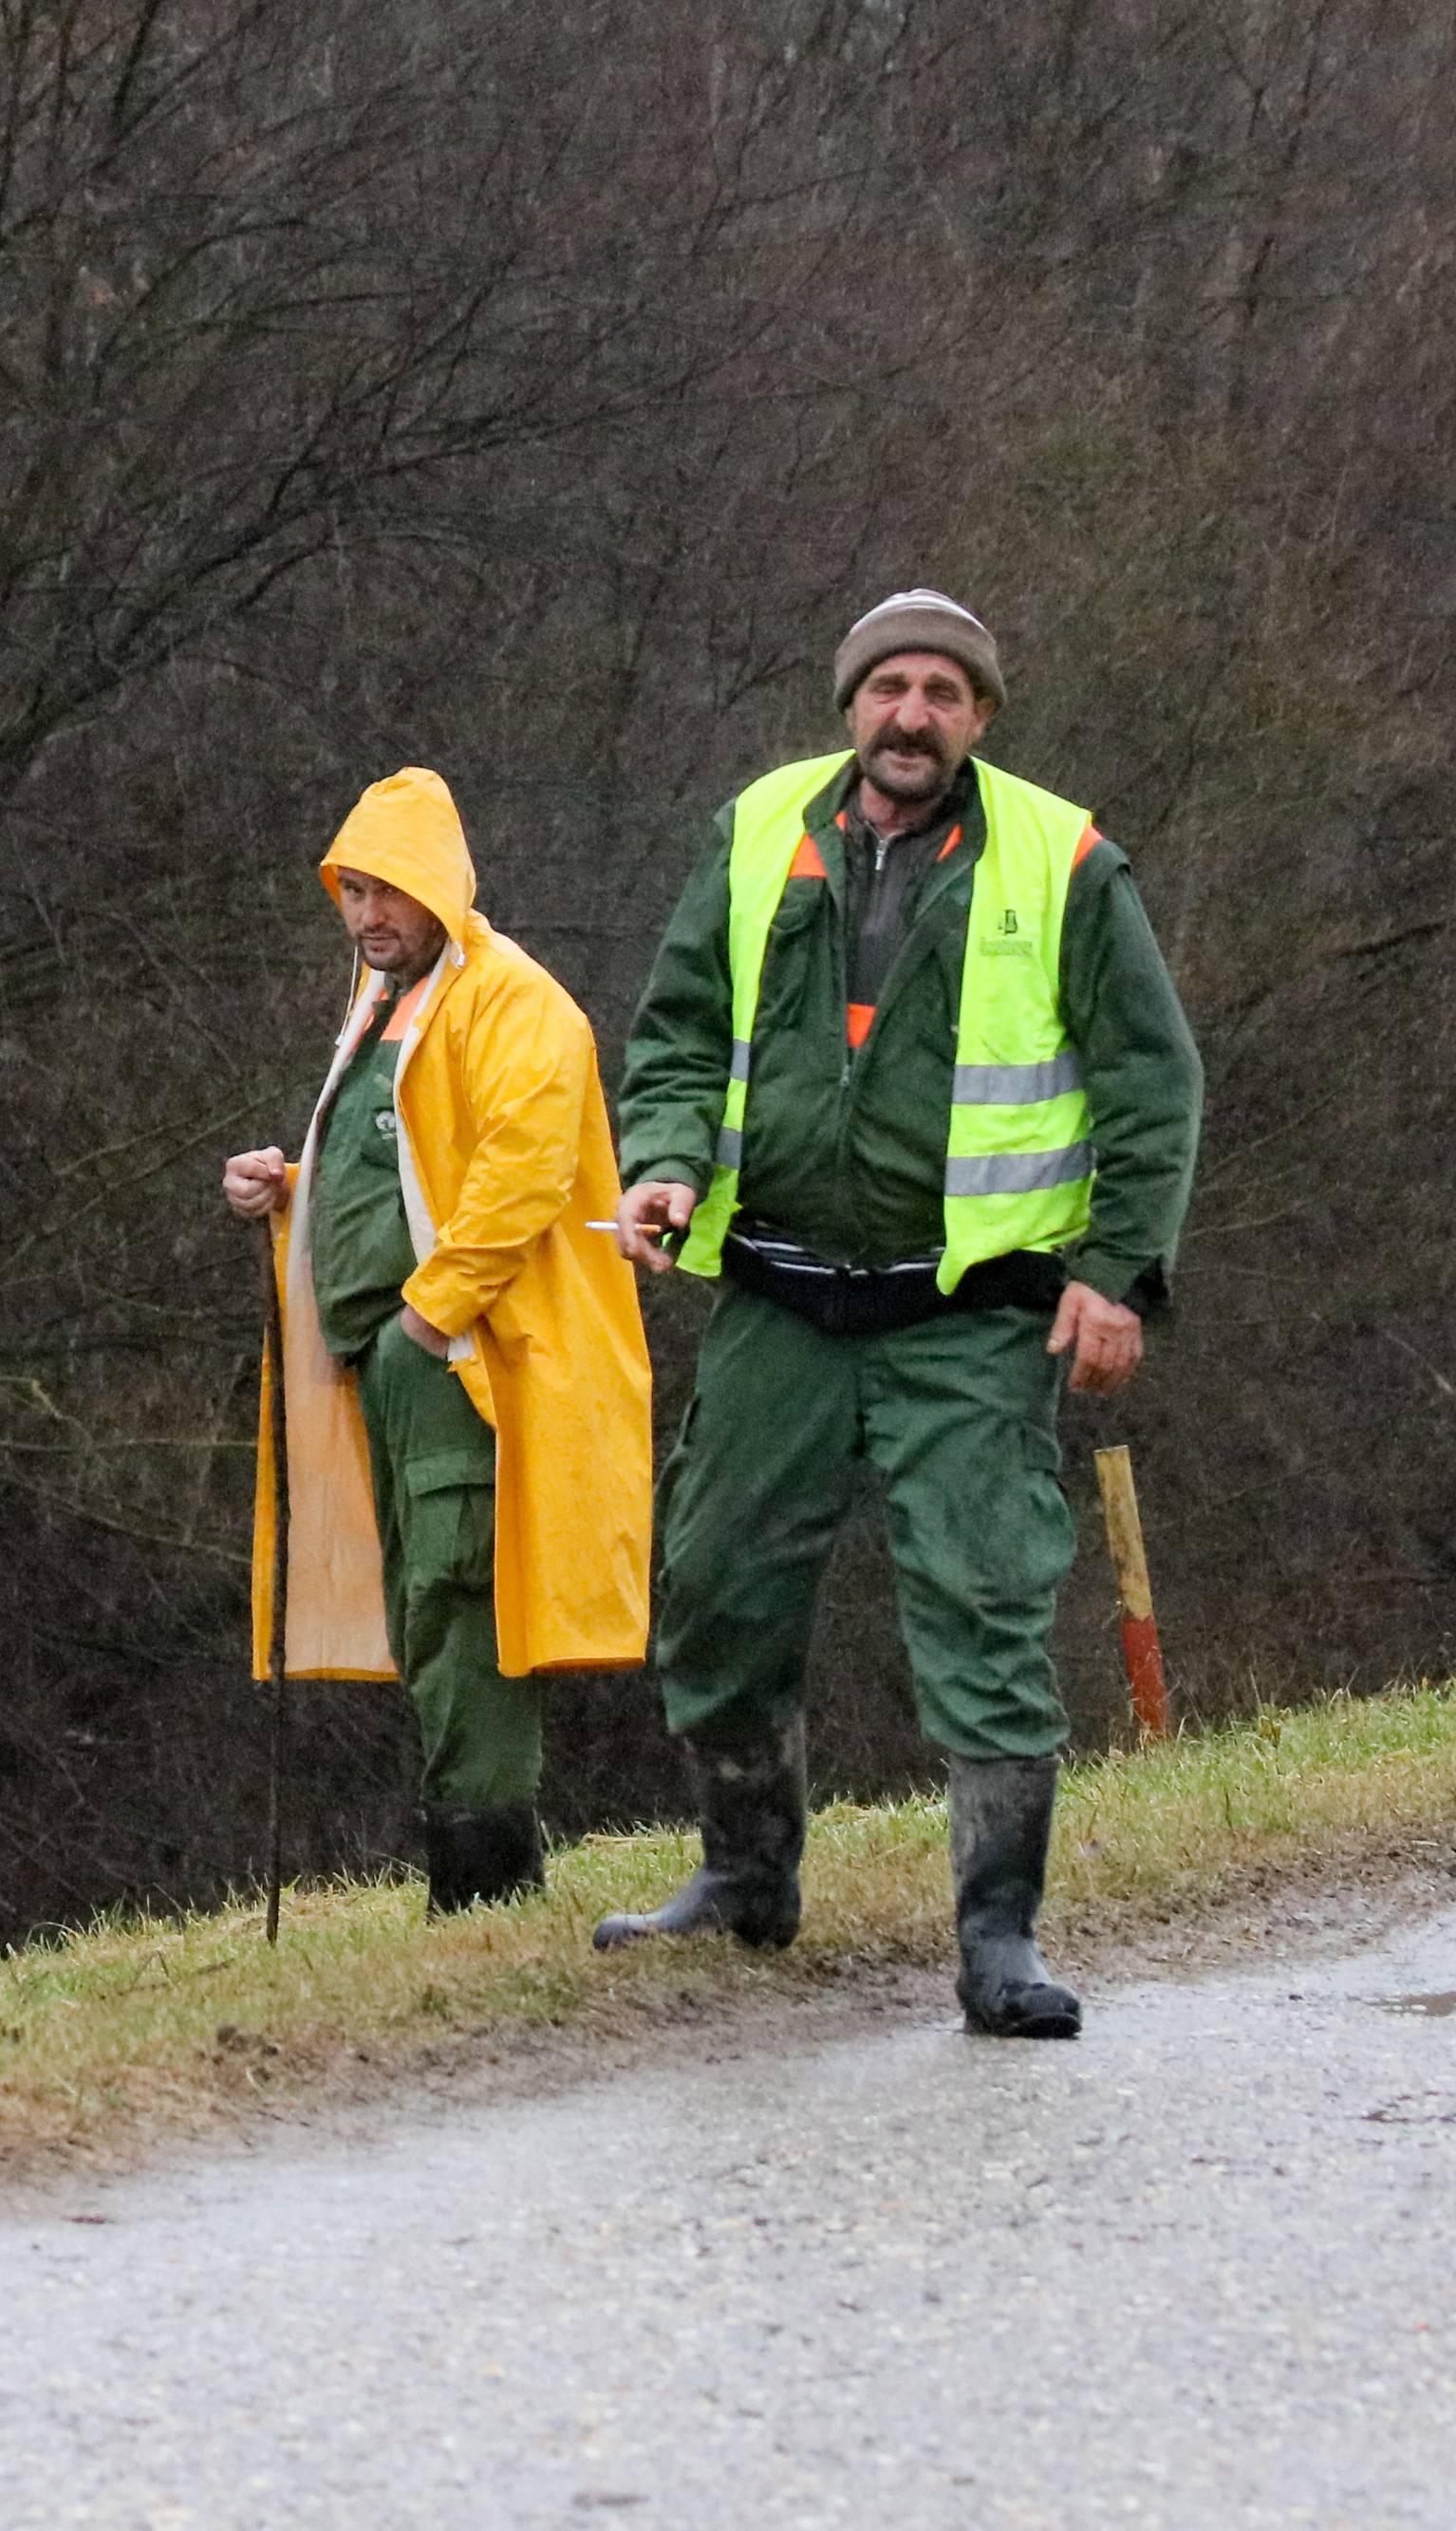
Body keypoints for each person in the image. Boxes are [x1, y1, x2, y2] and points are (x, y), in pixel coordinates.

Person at [595, 589, 1202, 2035]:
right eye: (889, 688)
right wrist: (666, 1162)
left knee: (985, 1608)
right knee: (716, 1593)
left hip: (972, 1315)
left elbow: (1152, 1079)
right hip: (780, 1298)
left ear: (980, 717)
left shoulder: (1064, 860)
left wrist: (1118, 1274)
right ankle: (747, 1876)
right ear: (850, 705)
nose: (912, 714)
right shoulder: (755, 830)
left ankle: (1000, 1941)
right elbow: (677, 1029)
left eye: (942, 690)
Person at [225, 766, 651, 1911]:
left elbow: (524, 1172)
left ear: (443, 887)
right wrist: (288, 1189)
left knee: (463, 1602)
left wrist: (429, 1312)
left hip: (460, 1362)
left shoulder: (516, 1001)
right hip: (386, 1365)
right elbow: (408, 1165)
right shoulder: (381, 1011)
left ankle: (488, 1881)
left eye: (389, 889)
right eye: (353, 890)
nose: (369, 915)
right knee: (423, 1605)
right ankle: (468, 1872)